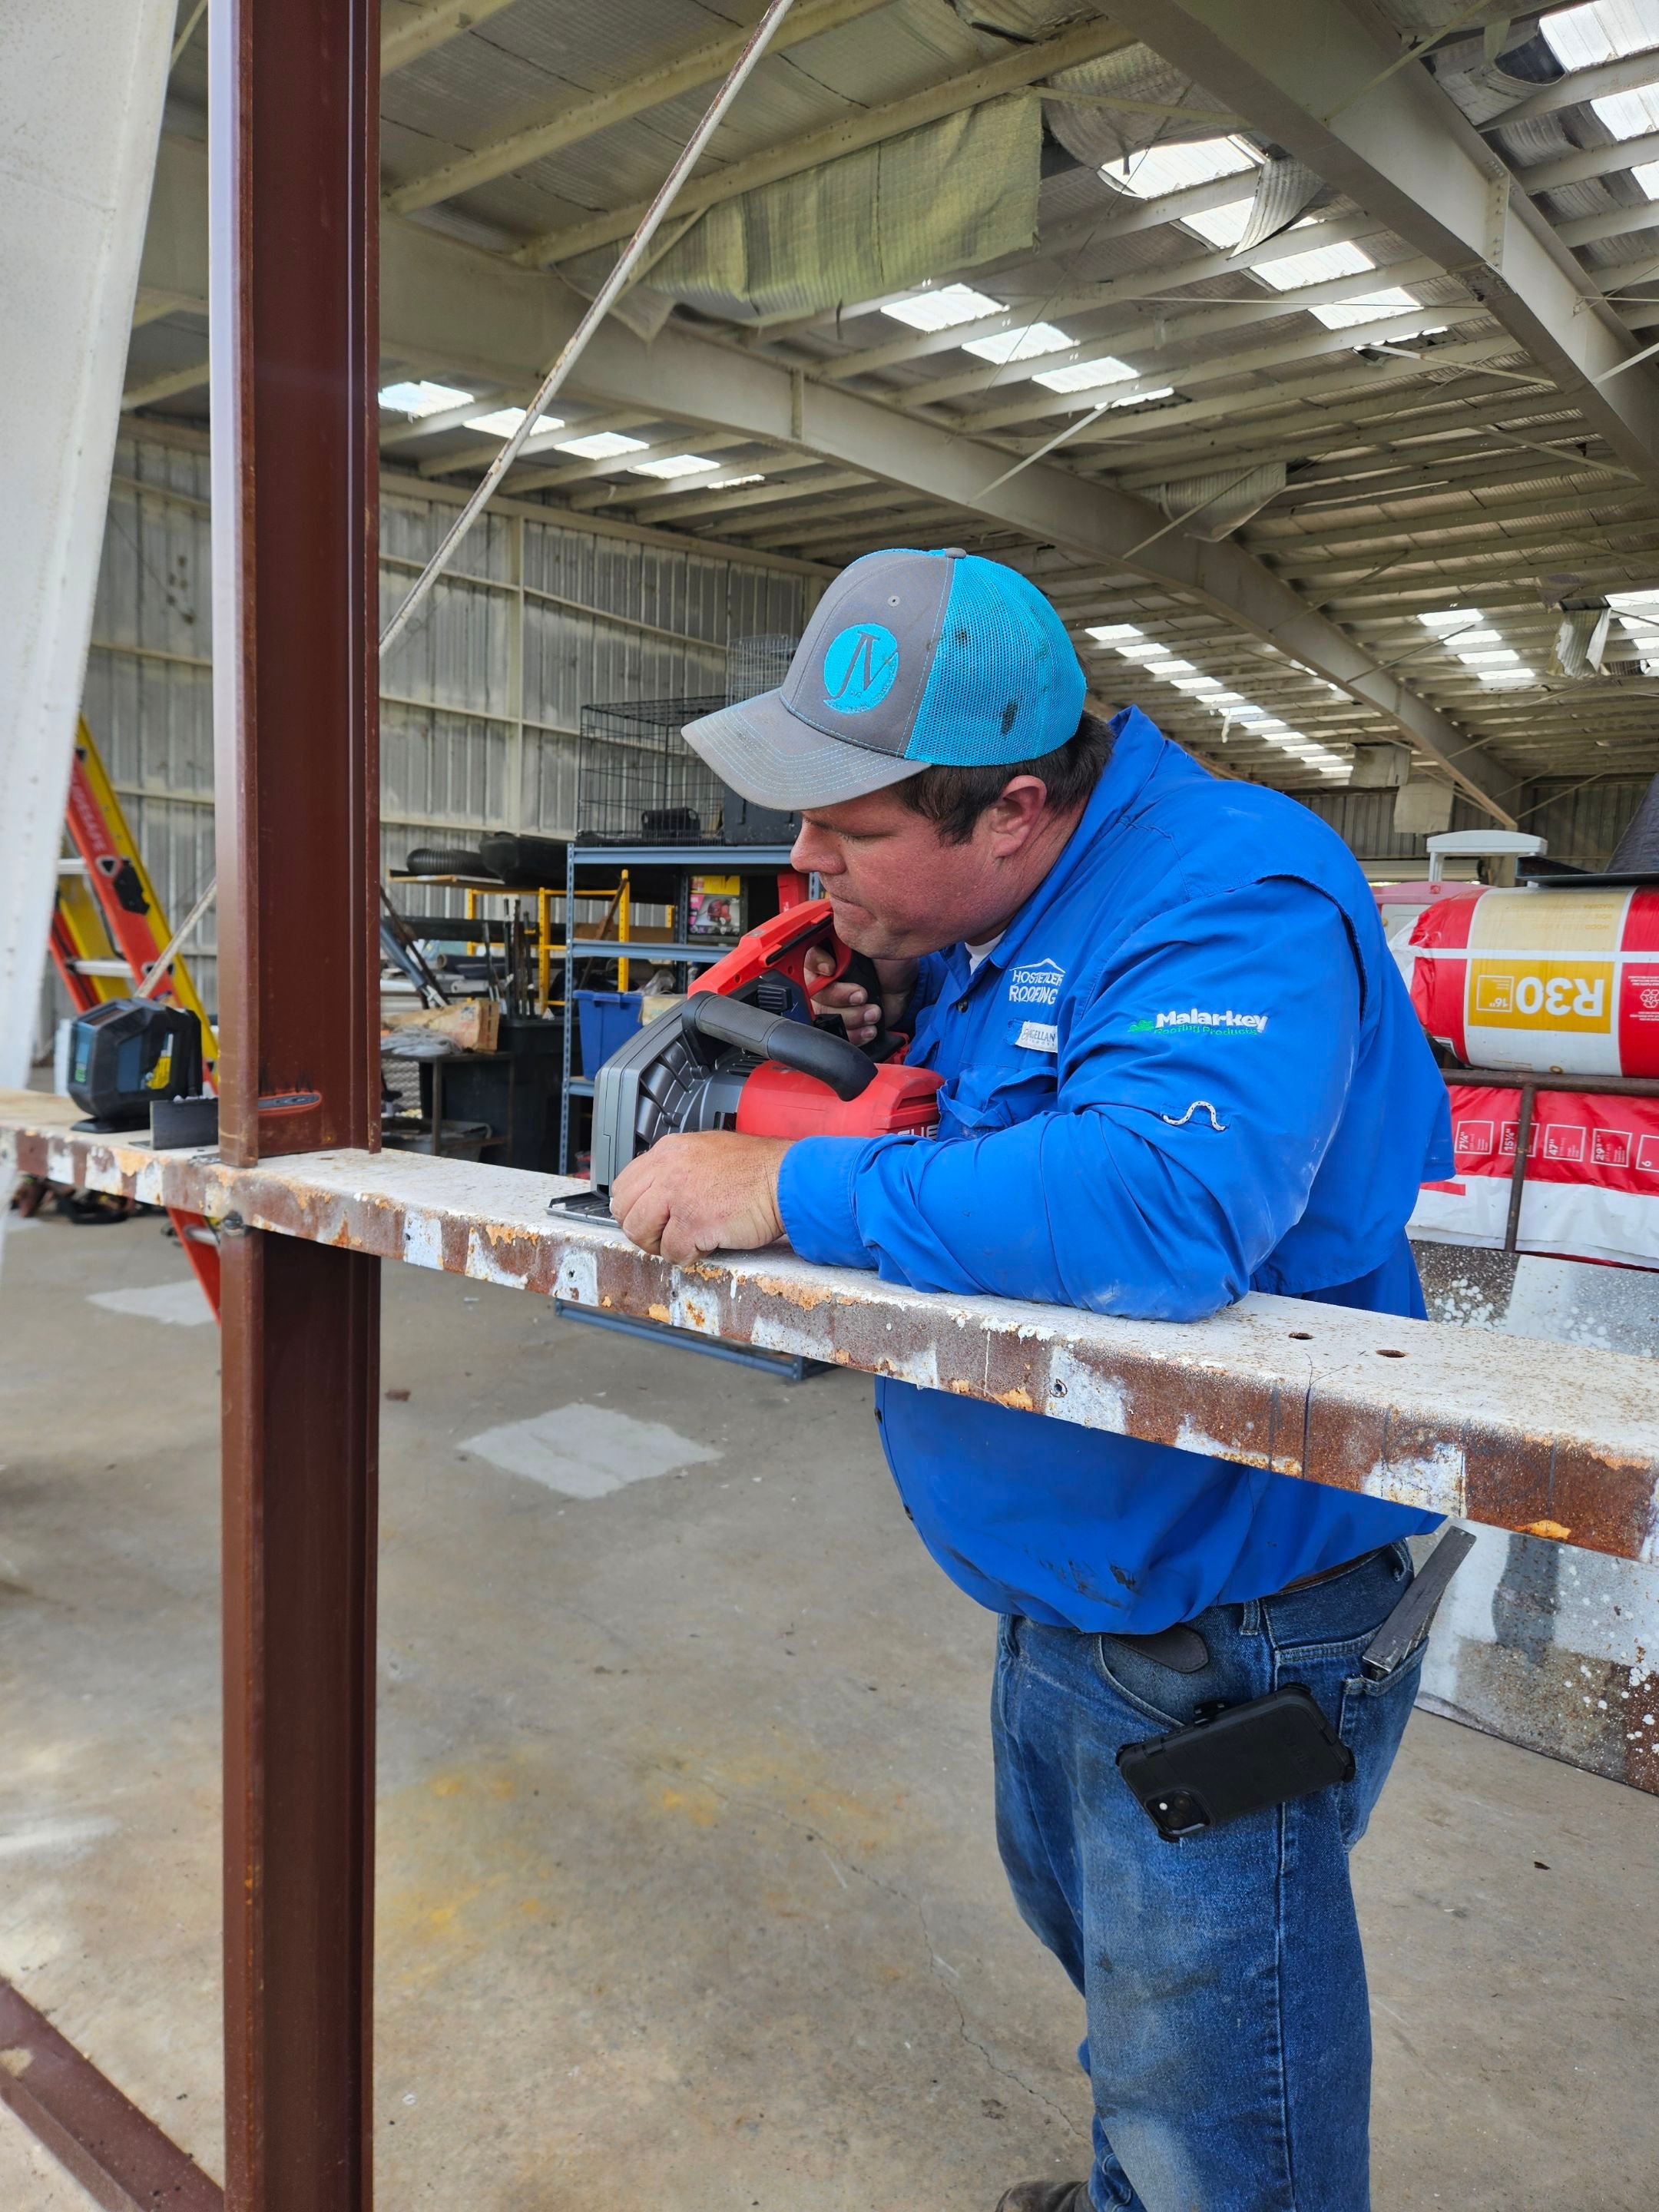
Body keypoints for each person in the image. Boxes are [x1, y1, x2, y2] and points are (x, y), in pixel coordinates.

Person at [609, 547, 1453, 2212]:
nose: (802, 859)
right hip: (1079, 1588)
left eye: (846, 829)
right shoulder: (1010, 908)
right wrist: (897, 1002)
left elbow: (1162, 1205)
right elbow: (1024, 1115)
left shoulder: (1233, 886)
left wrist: (790, 1185)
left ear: (1009, 809)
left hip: (1229, 1617)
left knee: (1220, 2071)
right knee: (1141, 2011)